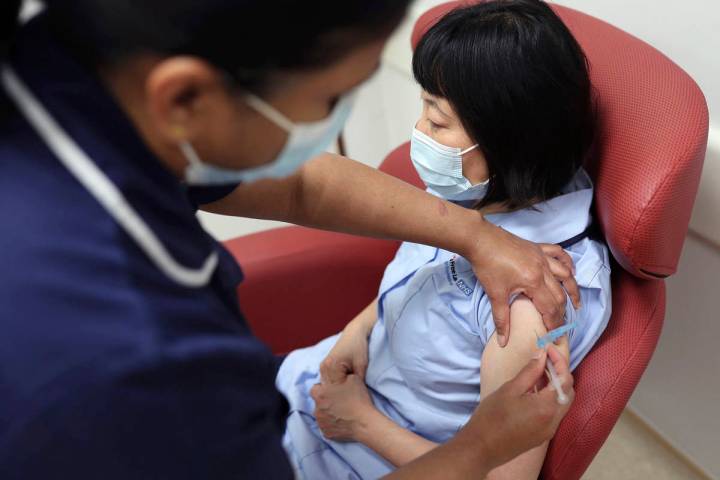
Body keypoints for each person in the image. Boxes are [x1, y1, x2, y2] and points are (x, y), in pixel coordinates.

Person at [0, 1, 575, 478]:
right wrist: (477, 447)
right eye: (329, 98)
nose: (415, 133)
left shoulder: (71, 74)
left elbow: (302, 186)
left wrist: (473, 235)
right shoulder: (137, 363)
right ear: (184, 100)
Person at [276, 1, 610, 479]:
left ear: (508, 142)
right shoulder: (477, 196)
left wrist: (362, 423)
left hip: (355, 456)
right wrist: (358, 330)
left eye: (436, 122)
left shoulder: (533, 304)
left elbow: (501, 474)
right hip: (314, 388)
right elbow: (421, 274)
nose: (419, 134)